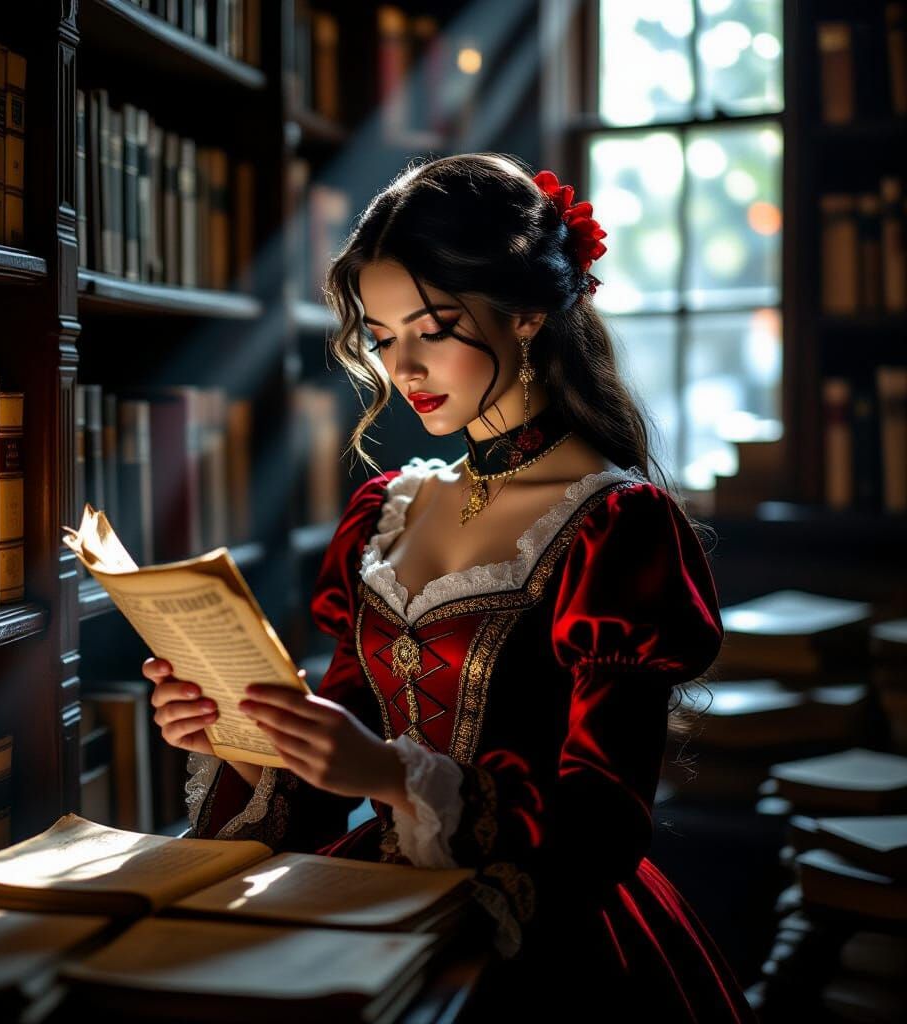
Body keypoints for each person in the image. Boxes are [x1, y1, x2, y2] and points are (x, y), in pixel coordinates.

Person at [144, 153, 758, 1022]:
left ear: (529, 314)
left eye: (432, 327)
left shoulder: (618, 523)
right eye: (384, 337)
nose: (405, 367)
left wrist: (395, 777)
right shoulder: (386, 509)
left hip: (549, 932)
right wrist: (247, 738)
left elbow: (604, 821)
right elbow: (339, 768)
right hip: (374, 901)